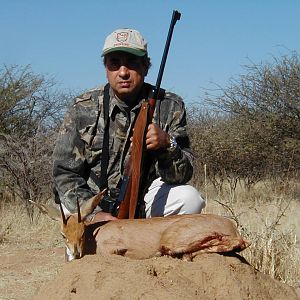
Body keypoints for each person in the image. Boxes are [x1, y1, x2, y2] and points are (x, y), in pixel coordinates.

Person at [52, 28, 205, 222]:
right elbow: (64, 173)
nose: (123, 72)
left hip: (145, 200)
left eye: (132, 63)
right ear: (106, 68)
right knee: (67, 207)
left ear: (146, 66)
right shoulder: (82, 108)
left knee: (189, 199)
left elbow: (181, 176)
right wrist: (94, 213)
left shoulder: (170, 105)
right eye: (114, 64)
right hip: (91, 201)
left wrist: (167, 145)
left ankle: (156, 244)